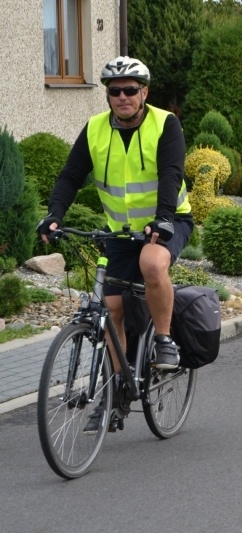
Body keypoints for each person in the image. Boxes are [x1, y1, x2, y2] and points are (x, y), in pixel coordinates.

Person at [37, 56, 193, 433]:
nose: (122, 96)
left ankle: (164, 339)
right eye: (115, 91)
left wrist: (164, 218)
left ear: (144, 93)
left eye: (130, 90)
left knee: (152, 264)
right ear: (107, 95)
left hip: (168, 221)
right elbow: (70, 176)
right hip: (120, 232)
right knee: (111, 308)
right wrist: (54, 215)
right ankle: (118, 388)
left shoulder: (165, 125)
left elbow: (171, 175)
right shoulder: (94, 129)